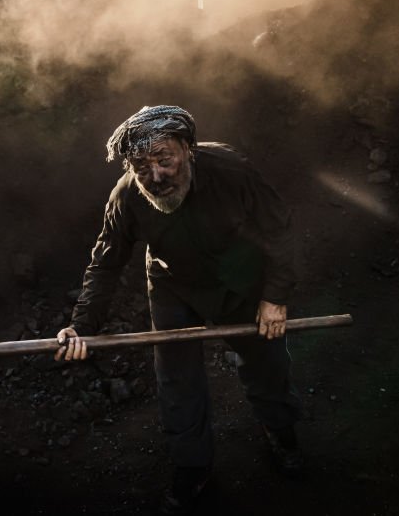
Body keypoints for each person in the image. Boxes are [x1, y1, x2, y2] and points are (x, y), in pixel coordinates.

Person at [55, 105, 303, 514]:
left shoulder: (232, 171)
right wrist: (81, 326)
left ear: (188, 149)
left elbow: (279, 228)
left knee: (265, 360)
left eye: (164, 159)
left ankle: (281, 430)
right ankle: (193, 465)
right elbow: (106, 262)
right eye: (140, 166)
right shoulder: (128, 196)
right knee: (177, 379)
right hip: (174, 287)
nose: (155, 177)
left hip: (240, 280)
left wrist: (275, 297)